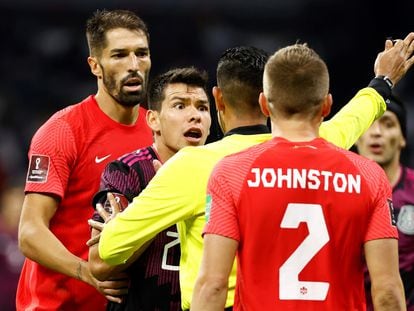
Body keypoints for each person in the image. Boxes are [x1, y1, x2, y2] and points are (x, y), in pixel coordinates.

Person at [98, 33, 414, 310]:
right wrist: (382, 81)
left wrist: (117, 225)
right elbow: (354, 117)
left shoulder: (197, 166)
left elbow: (110, 250)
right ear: (324, 106)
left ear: (218, 99)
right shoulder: (326, 145)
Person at [191, 42, 407, 311]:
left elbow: (212, 285)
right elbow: (386, 290)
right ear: (327, 105)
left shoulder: (232, 173)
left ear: (264, 104)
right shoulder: (368, 176)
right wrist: (383, 81)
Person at [16, 9, 153, 310]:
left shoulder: (158, 132)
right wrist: (86, 272)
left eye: (141, 53)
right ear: (95, 65)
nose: (134, 65)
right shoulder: (62, 131)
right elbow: (29, 232)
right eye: (119, 55)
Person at [88, 67, 212, 311]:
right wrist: (155, 201)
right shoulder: (127, 171)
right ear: (153, 120)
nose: (195, 115)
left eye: (202, 107)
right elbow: (100, 264)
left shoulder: (221, 170)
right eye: (180, 106)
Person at [355, 95, 414, 310]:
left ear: (402, 138)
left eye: (387, 123)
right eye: (369, 124)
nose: (376, 132)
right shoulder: (336, 192)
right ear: (356, 137)